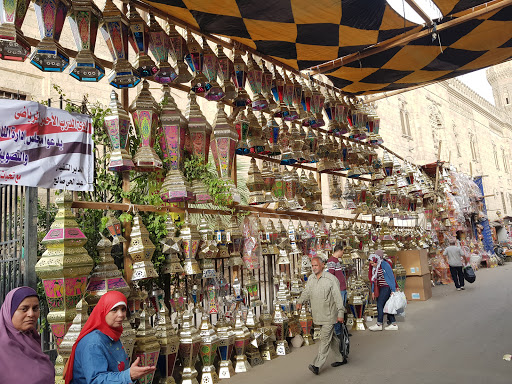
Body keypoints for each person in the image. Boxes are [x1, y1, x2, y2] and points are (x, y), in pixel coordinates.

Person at [64, 290, 156, 384]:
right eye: (114, 310)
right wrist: (129, 375)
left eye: (123, 309)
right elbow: (96, 380)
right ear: (104, 311)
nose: (121, 315)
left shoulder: (110, 334)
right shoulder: (93, 343)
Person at [297, 256, 345, 375]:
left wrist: (340, 313)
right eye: (312, 266)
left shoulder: (331, 279)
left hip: (330, 315)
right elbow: (307, 292)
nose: (313, 268)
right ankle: (341, 358)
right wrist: (300, 301)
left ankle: (317, 365)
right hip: (318, 315)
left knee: (324, 339)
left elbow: (338, 298)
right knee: (331, 339)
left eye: (316, 265)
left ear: (322, 265)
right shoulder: (311, 278)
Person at [0, 286, 55, 383]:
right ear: (9, 312)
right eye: (24, 309)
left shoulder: (32, 341)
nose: (31, 314)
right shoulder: (3, 346)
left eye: (35, 308)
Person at [368, 252, 399, 331]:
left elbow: (391, 277)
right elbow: (373, 280)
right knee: (387, 305)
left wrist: (393, 289)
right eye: (370, 263)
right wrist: (372, 291)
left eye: (372, 263)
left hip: (386, 287)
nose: (372, 265)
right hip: (380, 287)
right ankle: (393, 323)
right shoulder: (375, 268)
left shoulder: (384, 264)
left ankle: (379, 323)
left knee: (380, 304)